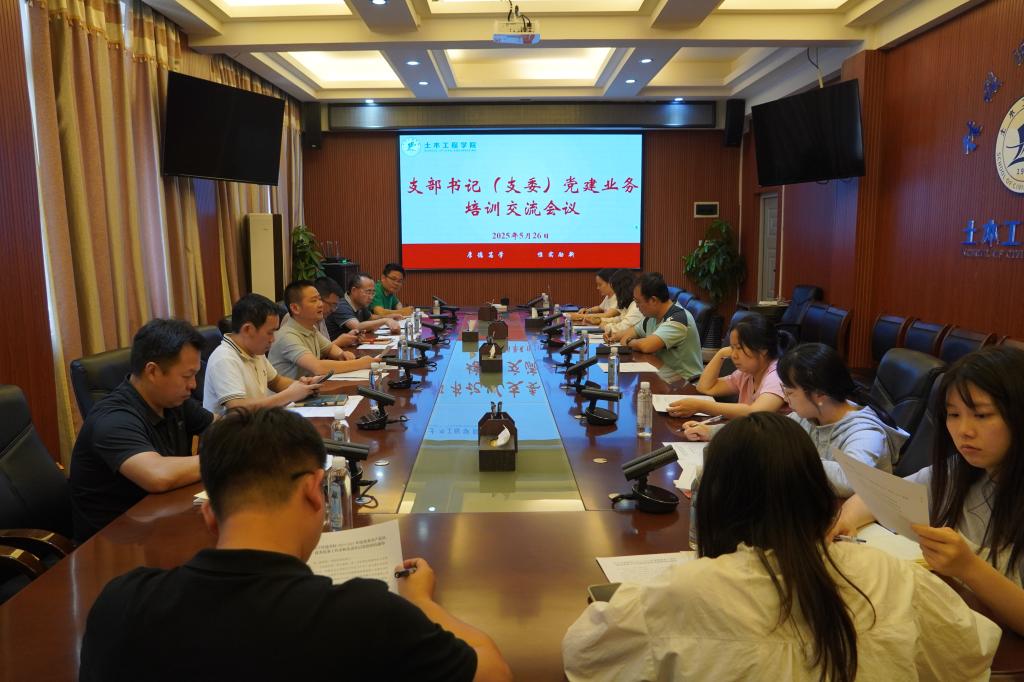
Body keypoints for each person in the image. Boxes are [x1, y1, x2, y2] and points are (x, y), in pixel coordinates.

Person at [79, 408, 513, 682]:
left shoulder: (120, 604)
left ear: (209, 513)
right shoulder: (366, 616)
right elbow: (495, 672)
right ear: (313, 490)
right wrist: (421, 601)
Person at [562, 413, 1000, 682]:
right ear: (818, 493)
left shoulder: (685, 590)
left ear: (714, 501)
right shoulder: (889, 574)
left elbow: (585, 655)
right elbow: (969, 654)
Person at [833, 345, 1024, 636]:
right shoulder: (959, 472)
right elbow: (877, 495)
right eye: (953, 414)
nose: (964, 430)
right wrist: (845, 521)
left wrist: (969, 568)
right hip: (957, 621)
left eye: (982, 415)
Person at [69, 319, 214, 542]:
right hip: (113, 544)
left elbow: (220, 425)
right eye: (187, 376)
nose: (193, 385)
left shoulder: (173, 400)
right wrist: (227, 457)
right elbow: (157, 475)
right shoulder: (113, 419)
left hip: (161, 522)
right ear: (153, 371)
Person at [778, 343, 908, 496]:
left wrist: (793, 457)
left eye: (790, 393)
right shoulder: (806, 417)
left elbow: (849, 482)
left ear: (819, 394)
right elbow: (774, 439)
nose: (785, 399)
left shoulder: (866, 434)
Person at [670, 312, 791, 440]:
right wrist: (721, 353)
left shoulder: (777, 375)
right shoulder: (747, 373)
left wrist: (700, 406)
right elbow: (705, 387)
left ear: (763, 349)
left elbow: (755, 413)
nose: (733, 355)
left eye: (739, 348)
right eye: (732, 348)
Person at [203, 293, 324, 416]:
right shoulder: (224, 359)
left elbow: (276, 381)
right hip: (237, 427)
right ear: (248, 329)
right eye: (270, 333)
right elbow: (238, 408)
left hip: (258, 421)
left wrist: (303, 387)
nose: (273, 339)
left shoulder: (254, 350)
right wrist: (289, 395)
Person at [269, 280, 376, 380]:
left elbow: (329, 348)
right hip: (288, 393)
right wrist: (361, 363)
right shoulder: (287, 336)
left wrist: (341, 354)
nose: (320, 304)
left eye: (319, 299)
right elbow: (317, 367)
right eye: (313, 300)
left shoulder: (311, 328)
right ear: (295, 308)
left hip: (307, 389)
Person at [606, 272, 702, 383]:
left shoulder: (678, 319)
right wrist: (615, 336)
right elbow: (630, 332)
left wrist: (628, 341)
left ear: (653, 300)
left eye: (638, 302)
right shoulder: (652, 317)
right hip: (663, 377)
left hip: (686, 384)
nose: (636, 306)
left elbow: (646, 346)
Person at [327, 272, 400, 339]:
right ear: (354, 290)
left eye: (373, 293)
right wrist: (385, 320)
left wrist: (389, 317)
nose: (371, 297)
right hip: (335, 347)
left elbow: (370, 318)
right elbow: (357, 327)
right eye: (368, 292)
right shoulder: (341, 305)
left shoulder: (360, 303)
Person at [314, 276, 359, 348]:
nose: (333, 310)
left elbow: (324, 348)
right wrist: (338, 342)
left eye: (335, 305)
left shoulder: (321, 319)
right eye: (332, 304)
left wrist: (348, 338)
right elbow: (313, 353)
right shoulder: (305, 322)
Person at [599, 270, 643, 336]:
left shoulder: (636, 306)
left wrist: (606, 326)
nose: (616, 295)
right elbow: (620, 319)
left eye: (616, 292)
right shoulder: (629, 304)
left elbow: (622, 328)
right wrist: (601, 321)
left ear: (622, 290)